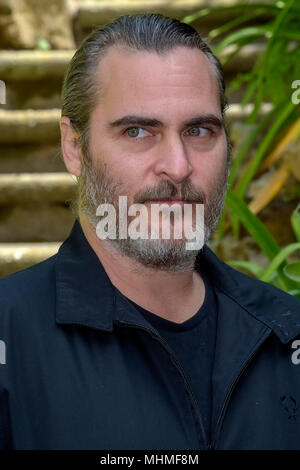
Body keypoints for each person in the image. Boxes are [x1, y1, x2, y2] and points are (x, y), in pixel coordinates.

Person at [0, 13, 299, 451]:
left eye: (199, 131)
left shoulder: (286, 332)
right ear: (74, 147)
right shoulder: (11, 341)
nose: (177, 166)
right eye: (137, 131)